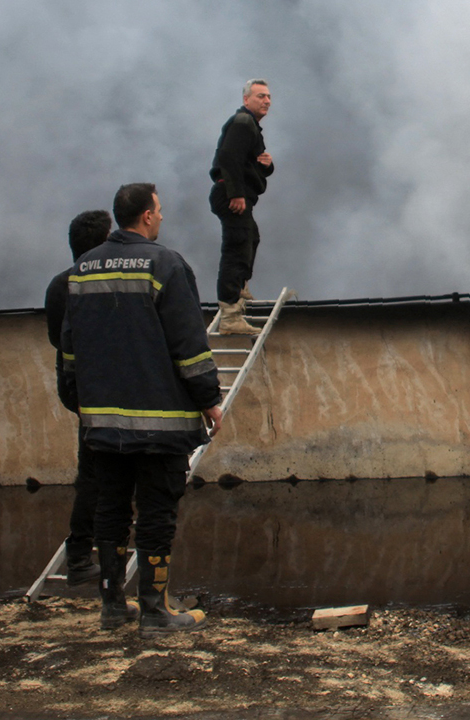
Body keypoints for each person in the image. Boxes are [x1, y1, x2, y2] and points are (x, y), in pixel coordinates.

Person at [62, 183, 223, 636]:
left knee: (110, 510)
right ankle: (155, 612)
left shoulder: (82, 269)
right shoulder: (165, 264)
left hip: (101, 423)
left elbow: (70, 353)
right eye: (160, 210)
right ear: (147, 217)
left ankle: (113, 606)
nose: (162, 217)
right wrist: (209, 399)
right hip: (159, 424)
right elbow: (189, 346)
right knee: (156, 514)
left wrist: (83, 404)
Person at [44, 210, 112, 588]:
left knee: (93, 472)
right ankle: (82, 555)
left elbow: (57, 340)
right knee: (96, 475)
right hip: (99, 388)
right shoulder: (93, 285)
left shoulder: (58, 285)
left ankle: (85, 552)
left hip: (76, 388)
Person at [209, 78, 274, 335]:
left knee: (251, 238)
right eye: (260, 96)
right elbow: (227, 157)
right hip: (231, 194)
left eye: (268, 96)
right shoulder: (243, 122)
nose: (267, 100)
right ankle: (230, 315)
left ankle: (239, 289)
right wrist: (235, 193)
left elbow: (251, 167)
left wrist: (267, 165)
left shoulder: (251, 127)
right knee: (237, 247)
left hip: (238, 193)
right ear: (246, 99)